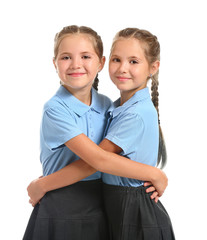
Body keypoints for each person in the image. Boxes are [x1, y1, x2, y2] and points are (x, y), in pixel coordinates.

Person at [23, 25, 168, 240]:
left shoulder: (108, 106)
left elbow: (99, 161)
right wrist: (154, 173)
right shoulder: (55, 109)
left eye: (85, 56)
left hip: (101, 207)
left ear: (100, 62)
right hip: (62, 207)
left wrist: (40, 185)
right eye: (65, 57)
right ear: (54, 63)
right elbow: (97, 160)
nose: (76, 65)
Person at [101, 27, 175, 239]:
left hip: (133, 213)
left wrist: (46, 184)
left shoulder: (136, 114)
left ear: (153, 67)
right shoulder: (116, 108)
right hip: (118, 206)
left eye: (133, 61)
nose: (122, 68)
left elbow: (96, 159)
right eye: (116, 59)